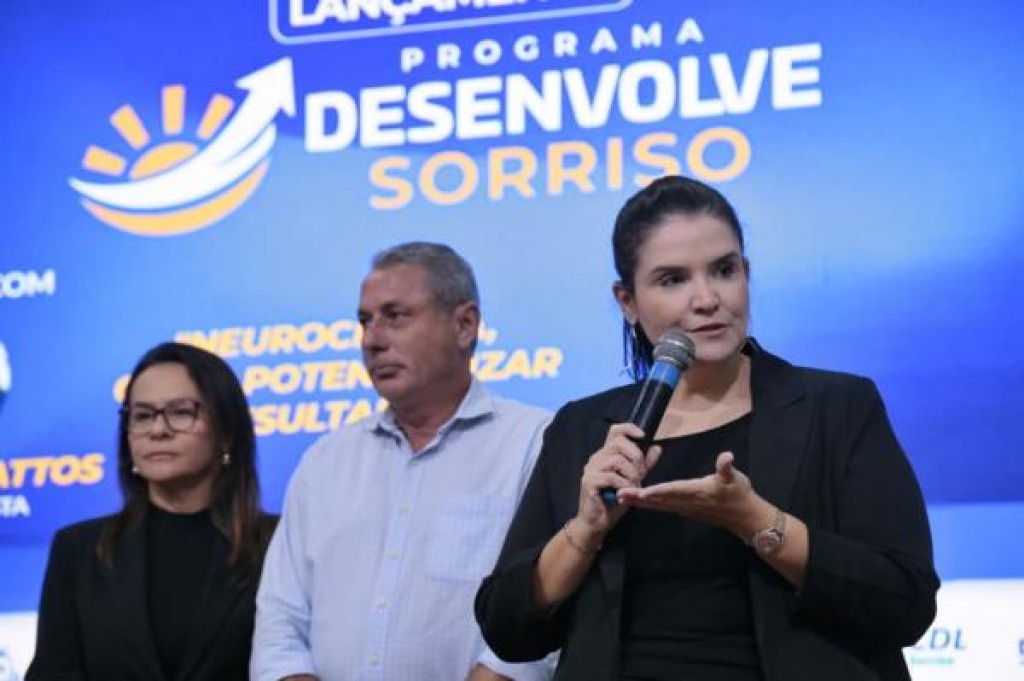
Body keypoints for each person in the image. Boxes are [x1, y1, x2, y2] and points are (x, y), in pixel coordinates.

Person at [475, 176, 939, 680]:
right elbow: (507, 627)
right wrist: (585, 530)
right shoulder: (583, 429)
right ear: (627, 300)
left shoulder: (837, 407)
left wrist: (755, 520)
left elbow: (906, 601)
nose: (707, 298)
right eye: (673, 279)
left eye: (724, 270)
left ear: (747, 273)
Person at [251, 242, 553, 681]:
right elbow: (280, 624)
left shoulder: (533, 443)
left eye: (395, 316)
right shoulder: (325, 462)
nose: (372, 340)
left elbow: (544, 611)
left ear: (464, 325)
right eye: (365, 321)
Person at [27, 342, 277, 681]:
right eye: (143, 415)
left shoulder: (277, 546)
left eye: (181, 412)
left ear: (227, 434)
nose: (158, 430)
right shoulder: (79, 550)